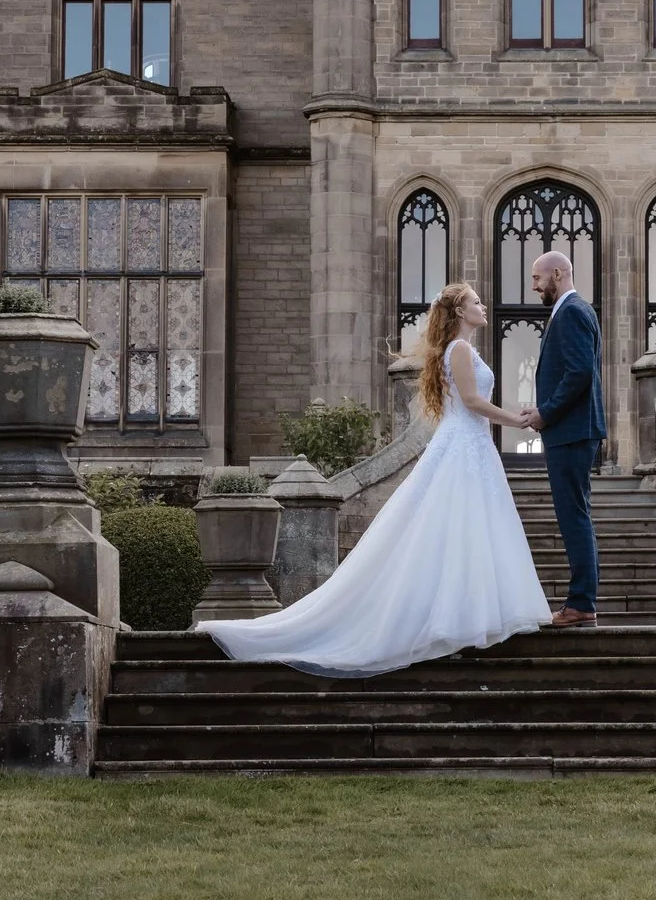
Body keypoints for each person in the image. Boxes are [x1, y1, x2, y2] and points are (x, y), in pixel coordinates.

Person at [197, 281, 551, 676]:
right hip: (464, 446)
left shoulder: (457, 350)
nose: (483, 306)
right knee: (460, 529)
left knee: (466, 532)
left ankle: (463, 615)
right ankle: (456, 618)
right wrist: (516, 419)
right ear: (459, 312)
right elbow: (471, 402)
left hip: (469, 447)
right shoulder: (462, 349)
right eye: (475, 302)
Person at [520, 249, 604, 627]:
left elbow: (579, 373)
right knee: (575, 514)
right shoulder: (571, 311)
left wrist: (546, 412)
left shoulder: (571, 311)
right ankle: (581, 600)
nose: (534, 286)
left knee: (574, 517)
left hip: (571, 431)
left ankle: (581, 603)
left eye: (538, 278)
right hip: (571, 430)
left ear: (557, 273)